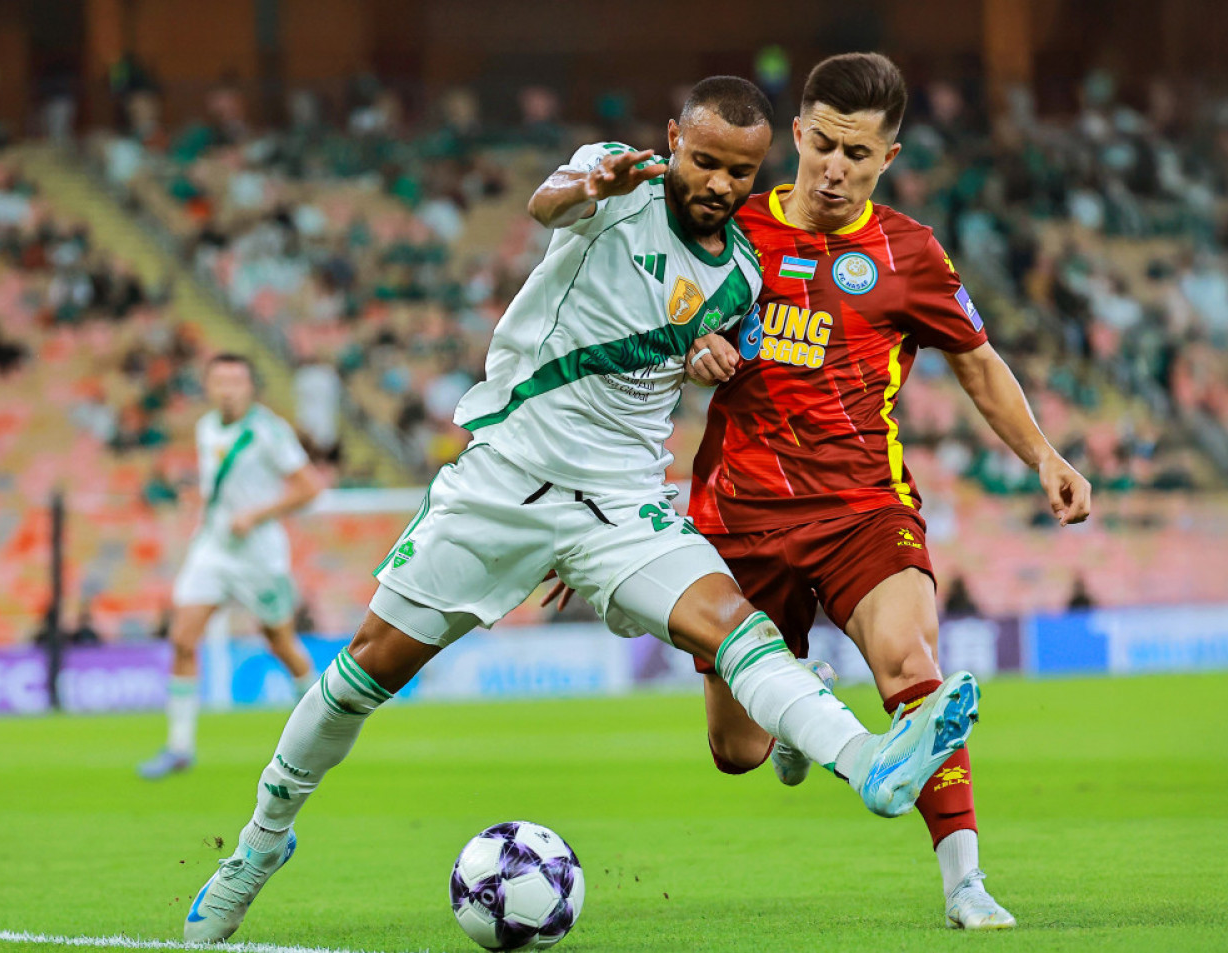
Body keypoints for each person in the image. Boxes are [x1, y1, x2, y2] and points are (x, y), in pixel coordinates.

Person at [181, 76, 979, 944]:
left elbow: (704, 344)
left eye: (739, 172)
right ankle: (260, 843)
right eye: (704, 160)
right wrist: (584, 184)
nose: (718, 183)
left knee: (736, 627)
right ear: (673, 139)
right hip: (505, 482)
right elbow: (549, 202)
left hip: (619, 505)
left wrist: (705, 355)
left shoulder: (744, 272)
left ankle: (868, 761)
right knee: (363, 672)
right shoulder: (616, 183)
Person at [681, 53, 1091, 930]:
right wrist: (694, 350)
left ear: (888, 158)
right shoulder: (732, 230)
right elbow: (657, 329)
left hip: (862, 509)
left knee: (912, 668)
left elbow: (978, 362)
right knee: (735, 750)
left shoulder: (909, 252)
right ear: (797, 134)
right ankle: (801, 708)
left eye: (858, 155)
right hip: (738, 520)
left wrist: (1044, 456)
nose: (835, 169)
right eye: (824, 146)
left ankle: (965, 883)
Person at [138, 353, 323, 780]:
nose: (227, 390)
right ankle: (179, 747)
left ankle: (322, 726)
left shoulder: (268, 431)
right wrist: (203, 502)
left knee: (280, 643)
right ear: (208, 387)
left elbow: (310, 488)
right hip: (213, 550)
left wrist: (255, 514)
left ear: (250, 387)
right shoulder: (206, 427)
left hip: (259, 556)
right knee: (183, 638)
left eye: (236, 381)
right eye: (219, 381)